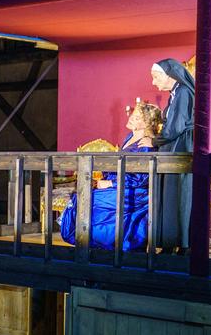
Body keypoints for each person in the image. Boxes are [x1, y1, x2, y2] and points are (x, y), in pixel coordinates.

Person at [60, 101, 162, 250]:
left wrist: (110, 184)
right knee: (83, 194)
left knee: (89, 198)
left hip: (134, 190)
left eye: (137, 117)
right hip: (119, 183)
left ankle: (99, 242)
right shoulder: (129, 137)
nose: (131, 118)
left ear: (147, 123)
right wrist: (104, 178)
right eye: (133, 115)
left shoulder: (145, 145)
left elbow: (141, 178)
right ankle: (93, 243)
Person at [152, 58, 196, 253]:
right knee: (171, 195)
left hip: (180, 148)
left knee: (180, 195)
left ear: (168, 75)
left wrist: (154, 141)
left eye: (155, 77)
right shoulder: (175, 93)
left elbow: (176, 127)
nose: (154, 82)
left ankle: (183, 245)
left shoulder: (183, 92)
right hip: (174, 148)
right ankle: (171, 242)